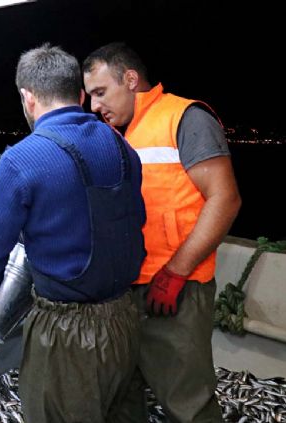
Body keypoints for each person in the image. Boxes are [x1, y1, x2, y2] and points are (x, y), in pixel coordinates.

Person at [0, 44, 147, 422]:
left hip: (66, 333)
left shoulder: (22, 158)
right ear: (80, 95)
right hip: (125, 318)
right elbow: (133, 220)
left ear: (28, 97)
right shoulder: (122, 147)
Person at [83, 42, 241, 422]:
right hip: (125, 291)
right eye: (90, 96)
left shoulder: (184, 118)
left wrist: (175, 272)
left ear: (130, 79)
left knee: (187, 401)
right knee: (122, 397)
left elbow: (225, 199)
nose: (94, 106)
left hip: (176, 291)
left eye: (100, 92)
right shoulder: (116, 134)